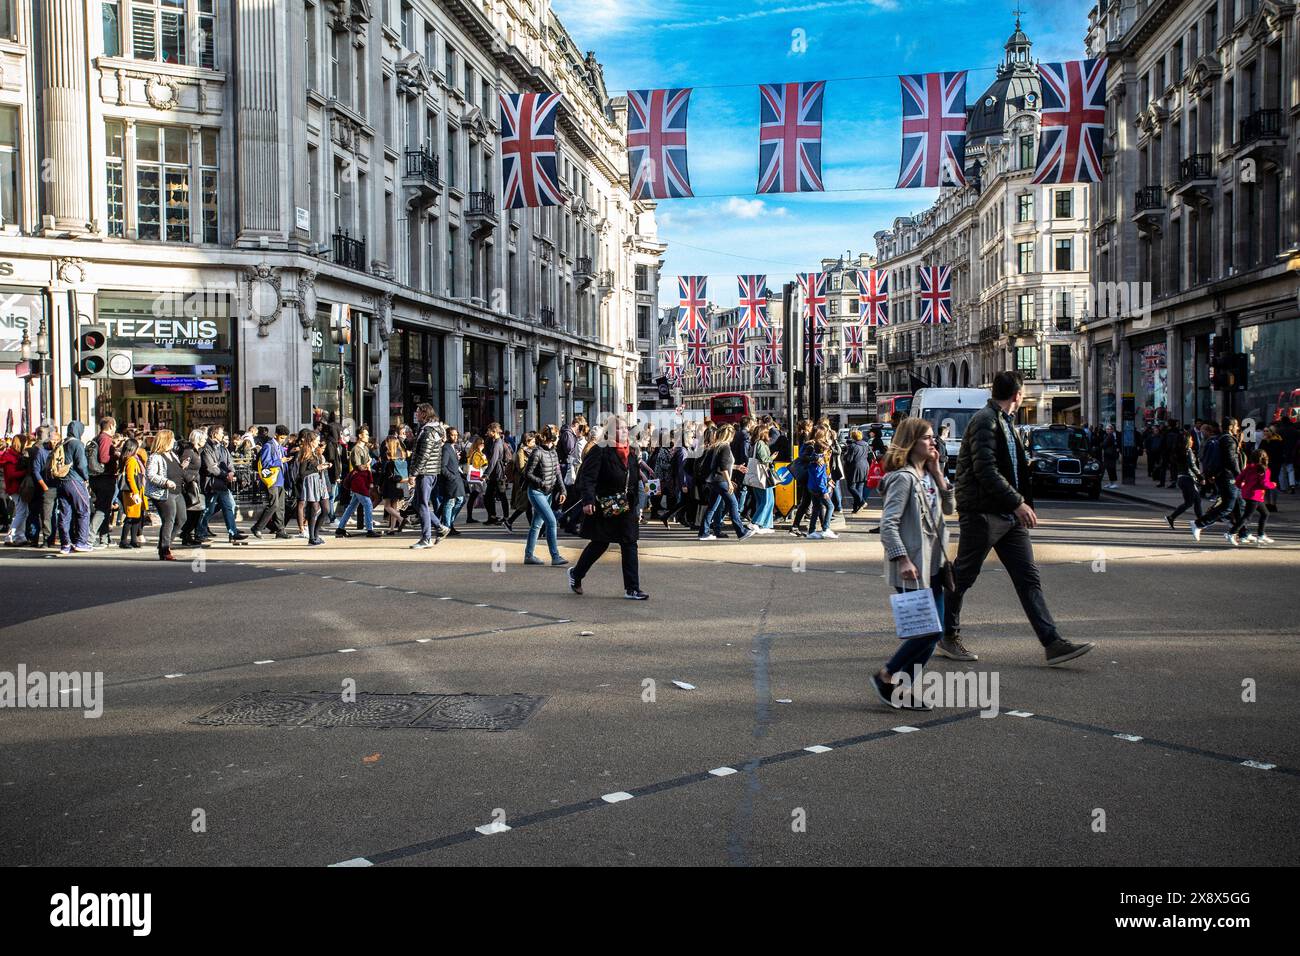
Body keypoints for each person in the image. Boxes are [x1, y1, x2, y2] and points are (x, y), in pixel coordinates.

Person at [942, 370, 1094, 666]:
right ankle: (948, 635)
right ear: (1018, 395)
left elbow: (1008, 468)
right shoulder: (985, 421)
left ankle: (1052, 643)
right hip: (983, 513)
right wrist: (1018, 503)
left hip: (1007, 515)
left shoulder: (1003, 421)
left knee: (1028, 579)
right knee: (962, 577)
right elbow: (985, 470)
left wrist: (1018, 504)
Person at [873, 417, 955, 710]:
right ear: (911, 443)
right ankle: (887, 674)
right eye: (927, 438)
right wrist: (903, 559)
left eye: (934, 437)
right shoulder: (903, 478)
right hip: (911, 567)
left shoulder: (928, 474)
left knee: (935, 633)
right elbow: (888, 524)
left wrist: (937, 471)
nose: (933, 442)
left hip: (934, 564)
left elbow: (949, 507)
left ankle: (901, 689)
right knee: (927, 631)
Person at [567, 416, 648, 600]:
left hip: (626, 505)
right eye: (620, 429)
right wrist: (588, 500)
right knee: (600, 543)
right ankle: (576, 574)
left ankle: (632, 588)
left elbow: (632, 473)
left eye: (626, 428)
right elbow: (587, 477)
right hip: (606, 504)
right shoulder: (600, 450)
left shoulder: (632, 452)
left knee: (629, 543)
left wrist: (643, 481)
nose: (625, 432)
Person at [521, 424, 568, 566]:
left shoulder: (553, 452)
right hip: (536, 492)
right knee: (552, 521)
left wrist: (563, 490)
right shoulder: (537, 452)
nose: (559, 438)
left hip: (547, 492)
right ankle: (555, 556)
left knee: (536, 524)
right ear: (552, 437)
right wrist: (541, 483)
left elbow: (557, 472)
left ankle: (529, 555)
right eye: (557, 435)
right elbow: (527, 474)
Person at [1192, 417, 1245, 540]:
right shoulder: (1228, 440)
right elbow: (1231, 461)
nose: (1238, 428)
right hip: (1228, 477)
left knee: (1239, 504)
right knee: (1228, 506)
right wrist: (1239, 476)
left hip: (1224, 475)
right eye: (1236, 425)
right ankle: (1199, 523)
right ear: (1231, 427)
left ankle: (1243, 532)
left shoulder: (1220, 438)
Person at [200, 425, 248, 544]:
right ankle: (200, 532)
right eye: (221, 433)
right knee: (208, 510)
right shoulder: (206, 448)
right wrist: (225, 474)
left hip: (223, 484)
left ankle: (233, 533)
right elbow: (210, 467)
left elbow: (229, 462)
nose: (223, 435)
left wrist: (231, 472)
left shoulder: (222, 448)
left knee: (229, 506)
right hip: (212, 483)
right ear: (214, 434)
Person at [408, 404, 447, 549]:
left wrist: (413, 473)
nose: (416, 414)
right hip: (428, 471)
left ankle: (426, 538)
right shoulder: (429, 430)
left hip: (426, 472)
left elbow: (424, 455)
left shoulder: (428, 431)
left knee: (422, 504)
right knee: (417, 503)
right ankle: (440, 527)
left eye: (418, 412)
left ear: (424, 414)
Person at [55, 420, 93, 554]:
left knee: (65, 514)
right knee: (83, 510)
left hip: (61, 481)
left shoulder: (62, 442)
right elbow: (81, 464)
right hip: (74, 480)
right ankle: (81, 542)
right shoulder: (77, 444)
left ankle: (65, 544)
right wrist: (87, 477)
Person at [145, 429, 183, 560]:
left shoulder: (173, 454)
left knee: (181, 519)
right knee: (169, 519)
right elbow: (150, 475)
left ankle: (164, 545)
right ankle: (165, 549)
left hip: (177, 491)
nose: (174, 442)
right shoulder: (155, 457)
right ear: (165, 441)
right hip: (164, 493)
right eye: (171, 439)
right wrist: (165, 482)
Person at [1228, 450, 1276, 546]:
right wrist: (1273, 485)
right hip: (1256, 495)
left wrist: (1241, 486)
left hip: (1247, 494)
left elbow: (1239, 479)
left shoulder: (1249, 467)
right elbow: (1264, 484)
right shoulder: (1264, 470)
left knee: (1265, 513)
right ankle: (1231, 533)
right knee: (1247, 516)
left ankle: (1261, 534)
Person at [251, 425, 291, 539]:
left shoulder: (279, 447)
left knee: (280, 507)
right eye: (282, 438)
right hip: (271, 480)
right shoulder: (269, 446)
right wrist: (280, 461)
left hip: (280, 479)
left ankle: (280, 530)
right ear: (276, 435)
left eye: (285, 438)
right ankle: (257, 527)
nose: (283, 440)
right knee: (273, 505)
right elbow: (265, 463)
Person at [296, 429, 331, 545]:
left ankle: (316, 534)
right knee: (313, 509)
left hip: (320, 482)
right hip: (312, 483)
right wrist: (317, 468)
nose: (318, 442)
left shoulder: (316, 453)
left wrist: (324, 466)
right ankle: (312, 537)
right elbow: (302, 473)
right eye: (316, 440)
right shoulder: (306, 454)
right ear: (311, 441)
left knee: (326, 509)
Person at [88, 417, 118, 546]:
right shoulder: (106, 439)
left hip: (96, 477)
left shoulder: (97, 438)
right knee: (102, 509)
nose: (115, 428)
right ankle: (90, 536)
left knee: (105, 508)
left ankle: (104, 538)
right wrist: (116, 454)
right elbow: (104, 458)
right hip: (105, 477)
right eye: (114, 426)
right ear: (110, 426)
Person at [1165, 429, 1204, 529]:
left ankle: (1171, 517)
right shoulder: (1188, 451)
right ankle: (1202, 522)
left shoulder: (1179, 452)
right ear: (1187, 441)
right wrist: (1200, 477)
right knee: (1196, 500)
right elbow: (1192, 465)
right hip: (1188, 479)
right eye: (1191, 439)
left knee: (1190, 502)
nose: (1193, 441)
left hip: (1181, 479)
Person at [178, 429, 209, 547]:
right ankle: (186, 534)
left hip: (196, 483)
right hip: (190, 485)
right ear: (198, 439)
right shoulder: (188, 452)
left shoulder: (197, 451)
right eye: (204, 438)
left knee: (198, 510)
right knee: (193, 510)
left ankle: (187, 534)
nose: (205, 440)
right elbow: (181, 468)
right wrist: (190, 478)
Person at [805, 427, 836, 540]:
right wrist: (824, 490)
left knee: (816, 508)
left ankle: (812, 531)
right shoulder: (820, 460)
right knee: (830, 506)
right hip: (819, 488)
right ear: (823, 450)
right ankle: (826, 529)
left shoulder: (814, 458)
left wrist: (828, 480)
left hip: (812, 487)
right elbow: (819, 477)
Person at [503, 431, 537, 533]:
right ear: (527, 441)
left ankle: (531, 528)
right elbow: (521, 468)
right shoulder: (521, 452)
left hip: (528, 480)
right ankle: (509, 521)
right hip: (522, 481)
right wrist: (532, 468)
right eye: (533, 441)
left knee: (527, 505)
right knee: (525, 504)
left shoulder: (533, 450)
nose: (534, 443)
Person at [1, 434, 30, 545]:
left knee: (23, 512)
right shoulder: (10, 456)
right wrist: (25, 472)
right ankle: (10, 536)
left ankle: (19, 536)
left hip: (16, 487)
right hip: (14, 488)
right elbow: (11, 474)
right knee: (21, 513)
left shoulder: (13, 455)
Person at [748, 424, 777, 533]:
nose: (769, 435)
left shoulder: (755, 444)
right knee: (767, 500)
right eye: (767, 433)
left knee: (762, 500)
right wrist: (772, 457)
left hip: (756, 475)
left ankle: (765, 524)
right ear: (763, 433)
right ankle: (755, 522)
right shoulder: (760, 443)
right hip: (762, 476)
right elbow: (764, 459)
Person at [118, 437, 146, 549]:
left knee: (136, 517)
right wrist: (135, 492)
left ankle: (133, 539)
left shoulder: (129, 459)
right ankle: (124, 540)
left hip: (134, 491)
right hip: (132, 492)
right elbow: (130, 477)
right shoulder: (132, 460)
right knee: (130, 517)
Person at [378, 435, 410, 533]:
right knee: (394, 506)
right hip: (401, 482)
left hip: (390, 482)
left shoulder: (388, 455)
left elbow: (384, 472)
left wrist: (379, 484)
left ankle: (401, 519)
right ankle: (392, 528)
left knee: (387, 506)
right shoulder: (402, 454)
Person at [481, 422, 510, 524]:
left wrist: (486, 474)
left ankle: (506, 518)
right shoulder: (491, 441)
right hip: (494, 473)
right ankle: (492, 516)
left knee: (502, 495)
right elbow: (485, 452)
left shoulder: (498, 443)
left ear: (494, 431)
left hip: (498, 473)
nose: (487, 432)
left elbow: (493, 460)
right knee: (489, 496)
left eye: (489, 431)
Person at [842, 428, 872, 513]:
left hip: (855, 467)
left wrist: (845, 456)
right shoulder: (866, 444)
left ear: (853, 437)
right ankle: (856, 508)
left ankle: (862, 502)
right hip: (865, 466)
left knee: (851, 487)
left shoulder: (853, 446)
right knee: (860, 487)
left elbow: (849, 459)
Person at [1101, 424, 1119, 489]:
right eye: (1107, 429)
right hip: (1108, 455)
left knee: (1111, 469)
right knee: (1109, 469)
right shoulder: (1108, 435)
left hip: (1110, 455)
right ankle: (1111, 483)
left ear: (1112, 430)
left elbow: (1104, 444)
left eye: (1109, 429)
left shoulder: (1110, 436)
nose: (1107, 430)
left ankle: (1114, 483)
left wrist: (1102, 444)